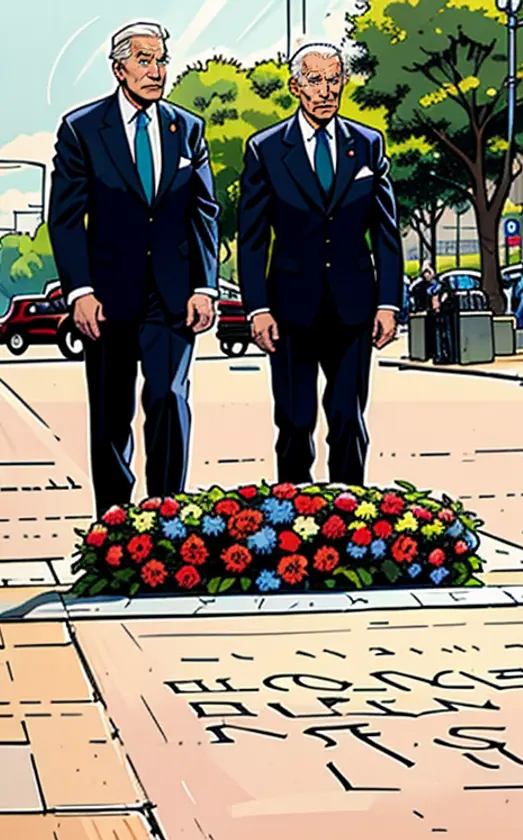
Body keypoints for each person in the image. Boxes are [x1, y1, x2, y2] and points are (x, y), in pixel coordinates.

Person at [48, 21, 220, 515]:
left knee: (168, 398)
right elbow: (64, 218)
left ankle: (166, 520)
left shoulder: (188, 130)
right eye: (144, 60)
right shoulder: (82, 129)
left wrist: (204, 286)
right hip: (106, 298)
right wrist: (79, 291)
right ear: (119, 67)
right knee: (111, 416)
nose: (156, 70)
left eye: (162, 60)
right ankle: (113, 526)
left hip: (172, 296)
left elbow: (203, 212)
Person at [238, 42, 402, 485]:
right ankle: (293, 520)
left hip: (353, 308)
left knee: (348, 418)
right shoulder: (266, 149)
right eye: (315, 81)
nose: (326, 91)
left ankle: (350, 517)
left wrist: (389, 303)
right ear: (295, 87)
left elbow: (386, 231)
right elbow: (252, 238)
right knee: (294, 422)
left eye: (334, 80)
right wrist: (257, 308)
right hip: (290, 309)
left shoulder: (368, 145)